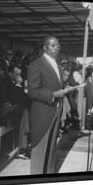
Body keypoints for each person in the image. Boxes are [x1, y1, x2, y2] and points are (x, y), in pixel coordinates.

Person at [27, 35, 67, 174]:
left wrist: (64, 91)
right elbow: (32, 92)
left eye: (58, 45)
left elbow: (54, 86)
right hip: (43, 113)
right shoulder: (36, 64)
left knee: (51, 149)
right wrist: (54, 95)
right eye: (52, 44)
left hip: (56, 110)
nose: (56, 47)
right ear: (44, 47)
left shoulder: (58, 66)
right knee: (40, 150)